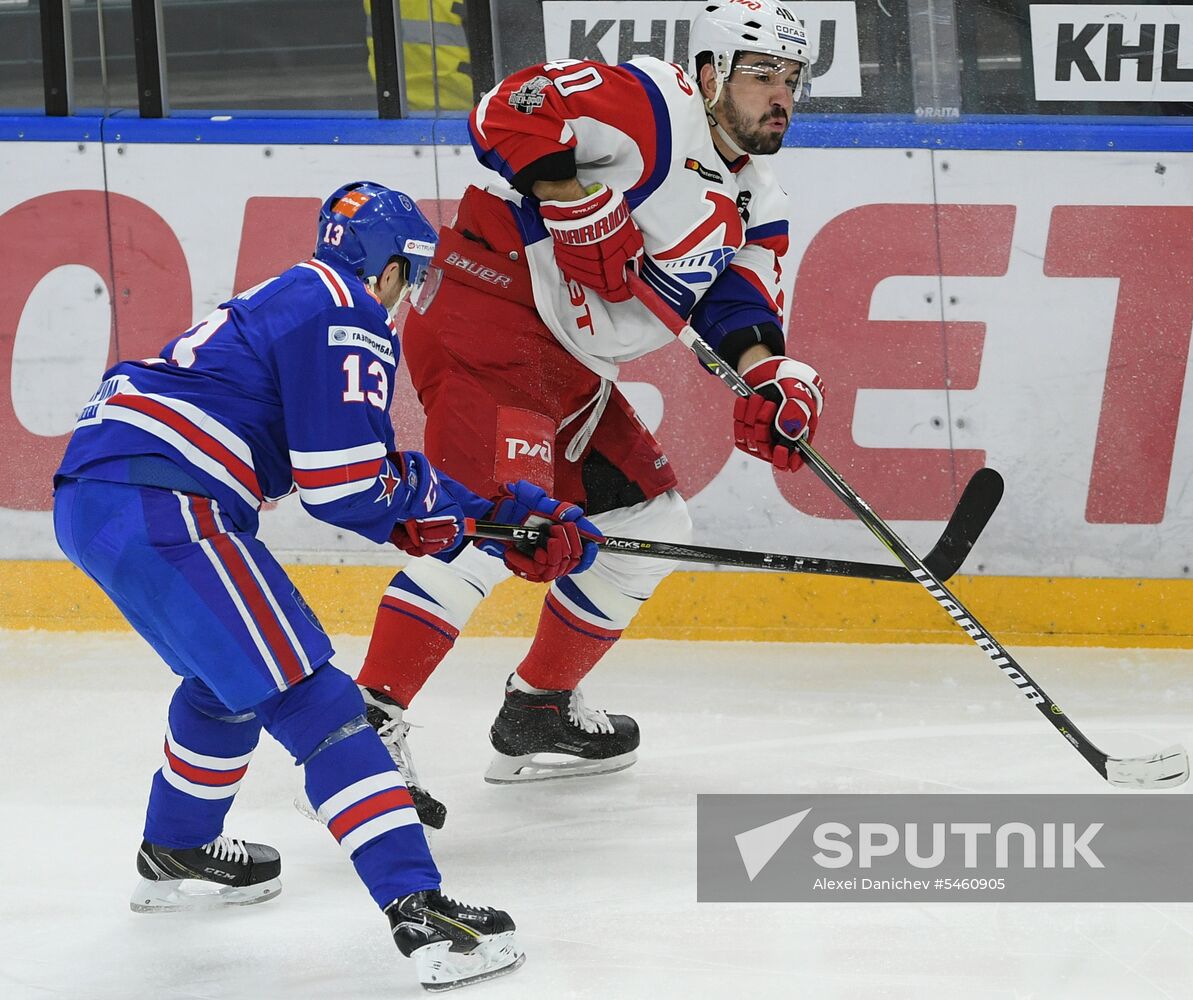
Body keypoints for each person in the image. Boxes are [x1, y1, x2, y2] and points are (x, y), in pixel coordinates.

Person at [52, 181, 599, 991]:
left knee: (226, 685)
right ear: (386, 265)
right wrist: (471, 518)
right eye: (408, 274)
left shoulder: (298, 294)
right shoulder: (347, 307)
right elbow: (346, 487)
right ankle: (422, 913)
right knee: (320, 705)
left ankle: (178, 844)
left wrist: (478, 515)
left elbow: (367, 485)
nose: (407, 295)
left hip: (101, 498)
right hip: (165, 504)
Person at [351, 0, 826, 818]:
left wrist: (770, 376)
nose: (778, 95)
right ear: (711, 74)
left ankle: (538, 709)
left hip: (565, 363)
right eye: (759, 75)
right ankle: (362, 731)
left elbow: (736, 305)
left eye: (790, 80)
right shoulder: (650, 106)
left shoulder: (761, 198)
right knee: (494, 526)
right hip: (490, 313)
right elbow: (507, 110)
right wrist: (567, 193)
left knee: (653, 519)